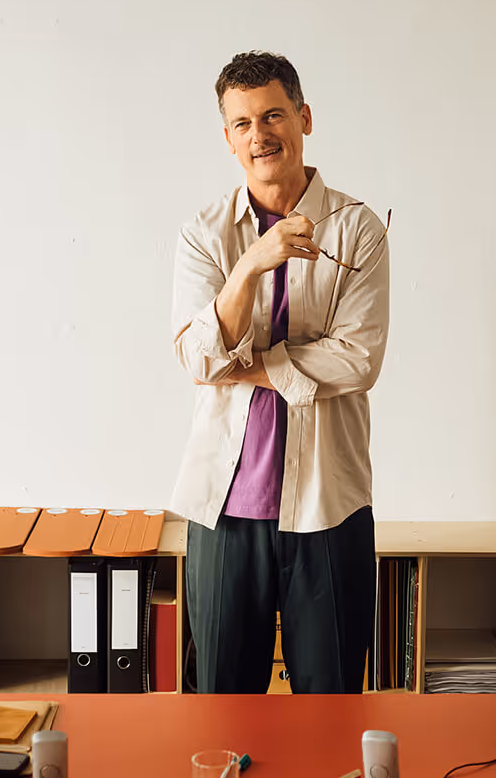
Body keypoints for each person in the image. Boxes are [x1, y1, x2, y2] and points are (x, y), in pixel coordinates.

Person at [170, 51, 390, 694]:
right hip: (224, 514)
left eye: (272, 115)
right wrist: (250, 266)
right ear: (228, 138)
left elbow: (359, 359)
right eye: (241, 123)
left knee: (330, 712)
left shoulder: (358, 230)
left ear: (305, 118)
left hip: (329, 505)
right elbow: (199, 359)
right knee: (220, 709)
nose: (259, 135)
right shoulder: (204, 235)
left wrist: (249, 366)